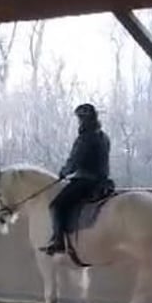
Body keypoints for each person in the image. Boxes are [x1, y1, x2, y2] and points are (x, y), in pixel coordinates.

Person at [41, 103, 111, 255]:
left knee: (56, 205)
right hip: (103, 182)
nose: (79, 122)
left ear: (84, 119)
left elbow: (75, 160)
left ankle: (58, 240)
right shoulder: (104, 137)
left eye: (80, 119)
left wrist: (63, 173)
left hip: (85, 181)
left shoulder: (85, 138)